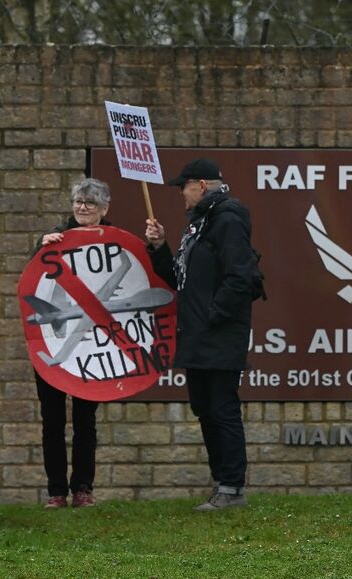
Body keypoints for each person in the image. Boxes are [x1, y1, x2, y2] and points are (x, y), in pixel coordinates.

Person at [145, 158, 255, 512]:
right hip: (195, 333)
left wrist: (212, 316)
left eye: (184, 186)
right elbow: (179, 279)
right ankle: (220, 483)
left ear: (202, 185)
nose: (181, 193)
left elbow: (242, 277)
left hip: (217, 333)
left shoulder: (228, 217)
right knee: (204, 407)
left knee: (222, 408)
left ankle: (232, 487)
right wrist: (160, 247)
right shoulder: (198, 225)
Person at [33, 178, 111, 508]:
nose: (82, 207)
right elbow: (32, 283)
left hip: (91, 345)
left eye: (90, 203)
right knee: (52, 421)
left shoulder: (114, 241)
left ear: (104, 209)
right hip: (54, 341)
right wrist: (40, 248)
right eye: (78, 201)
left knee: (85, 421)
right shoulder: (55, 238)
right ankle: (55, 491)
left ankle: (82, 489)